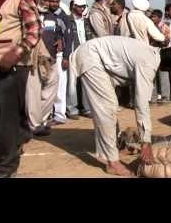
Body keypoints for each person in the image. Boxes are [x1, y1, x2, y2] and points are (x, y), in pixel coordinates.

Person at [69, 36, 160, 176]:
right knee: (107, 109)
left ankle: (115, 148)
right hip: (90, 57)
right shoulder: (149, 64)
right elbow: (141, 104)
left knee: (110, 106)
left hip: (98, 58)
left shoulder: (152, 54)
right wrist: (146, 143)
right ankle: (112, 162)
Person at [0, 0, 41, 177]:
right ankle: (18, 137)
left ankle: (7, 166)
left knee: (7, 118)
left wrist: (16, 52)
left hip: (10, 68)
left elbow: (34, 32)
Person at [25, 0, 61, 134]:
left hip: (48, 58)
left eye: (49, 1)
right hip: (31, 58)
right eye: (45, 0)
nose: (47, 3)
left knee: (53, 82)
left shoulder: (50, 16)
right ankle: (34, 125)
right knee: (33, 91)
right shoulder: (27, 12)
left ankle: (42, 120)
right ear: (37, 0)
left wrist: (59, 39)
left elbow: (58, 32)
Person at [48, 0, 73, 127]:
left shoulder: (63, 17)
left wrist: (66, 57)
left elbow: (69, 39)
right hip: (48, 56)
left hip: (59, 56)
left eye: (56, 1)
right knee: (49, 86)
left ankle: (59, 115)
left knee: (60, 86)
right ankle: (49, 114)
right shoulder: (47, 15)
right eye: (51, 0)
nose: (53, 3)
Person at [66, 0, 92, 119]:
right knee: (72, 83)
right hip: (72, 54)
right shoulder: (68, 20)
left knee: (86, 81)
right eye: (80, 6)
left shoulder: (86, 21)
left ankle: (86, 108)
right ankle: (72, 109)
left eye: (83, 6)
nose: (82, 9)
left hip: (86, 54)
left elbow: (90, 37)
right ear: (74, 6)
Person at [149, 9, 171, 104]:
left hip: (162, 52)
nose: (152, 18)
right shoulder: (149, 26)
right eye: (152, 16)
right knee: (152, 75)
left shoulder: (165, 27)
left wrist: (158, 40)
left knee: (163, 75)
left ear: (159, 18)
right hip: (151, 52)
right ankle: (153, 97)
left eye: (154, 16)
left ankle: (165, 97)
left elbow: (167, 41)